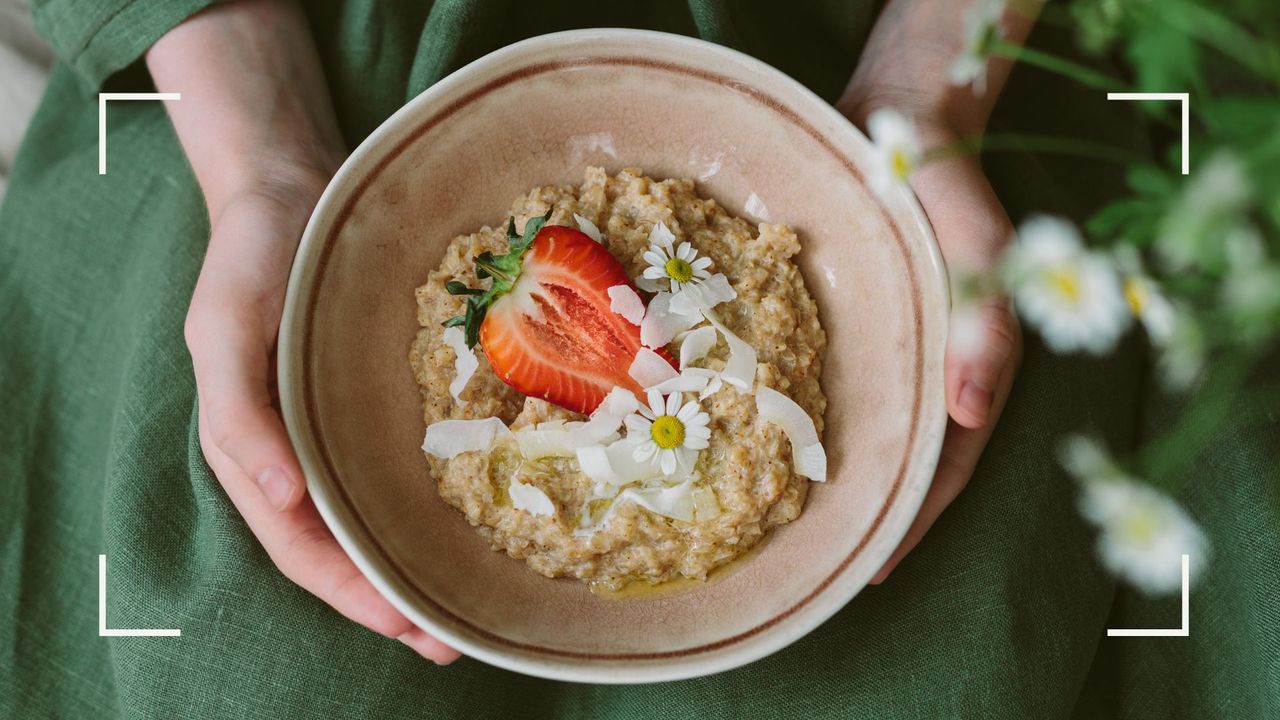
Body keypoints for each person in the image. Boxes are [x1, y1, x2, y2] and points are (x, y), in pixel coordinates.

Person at [3, 1, 1265, 718]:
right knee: (241, 658)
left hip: (918, 54)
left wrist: (932, 83)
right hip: (284, 69)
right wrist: (266, 165)